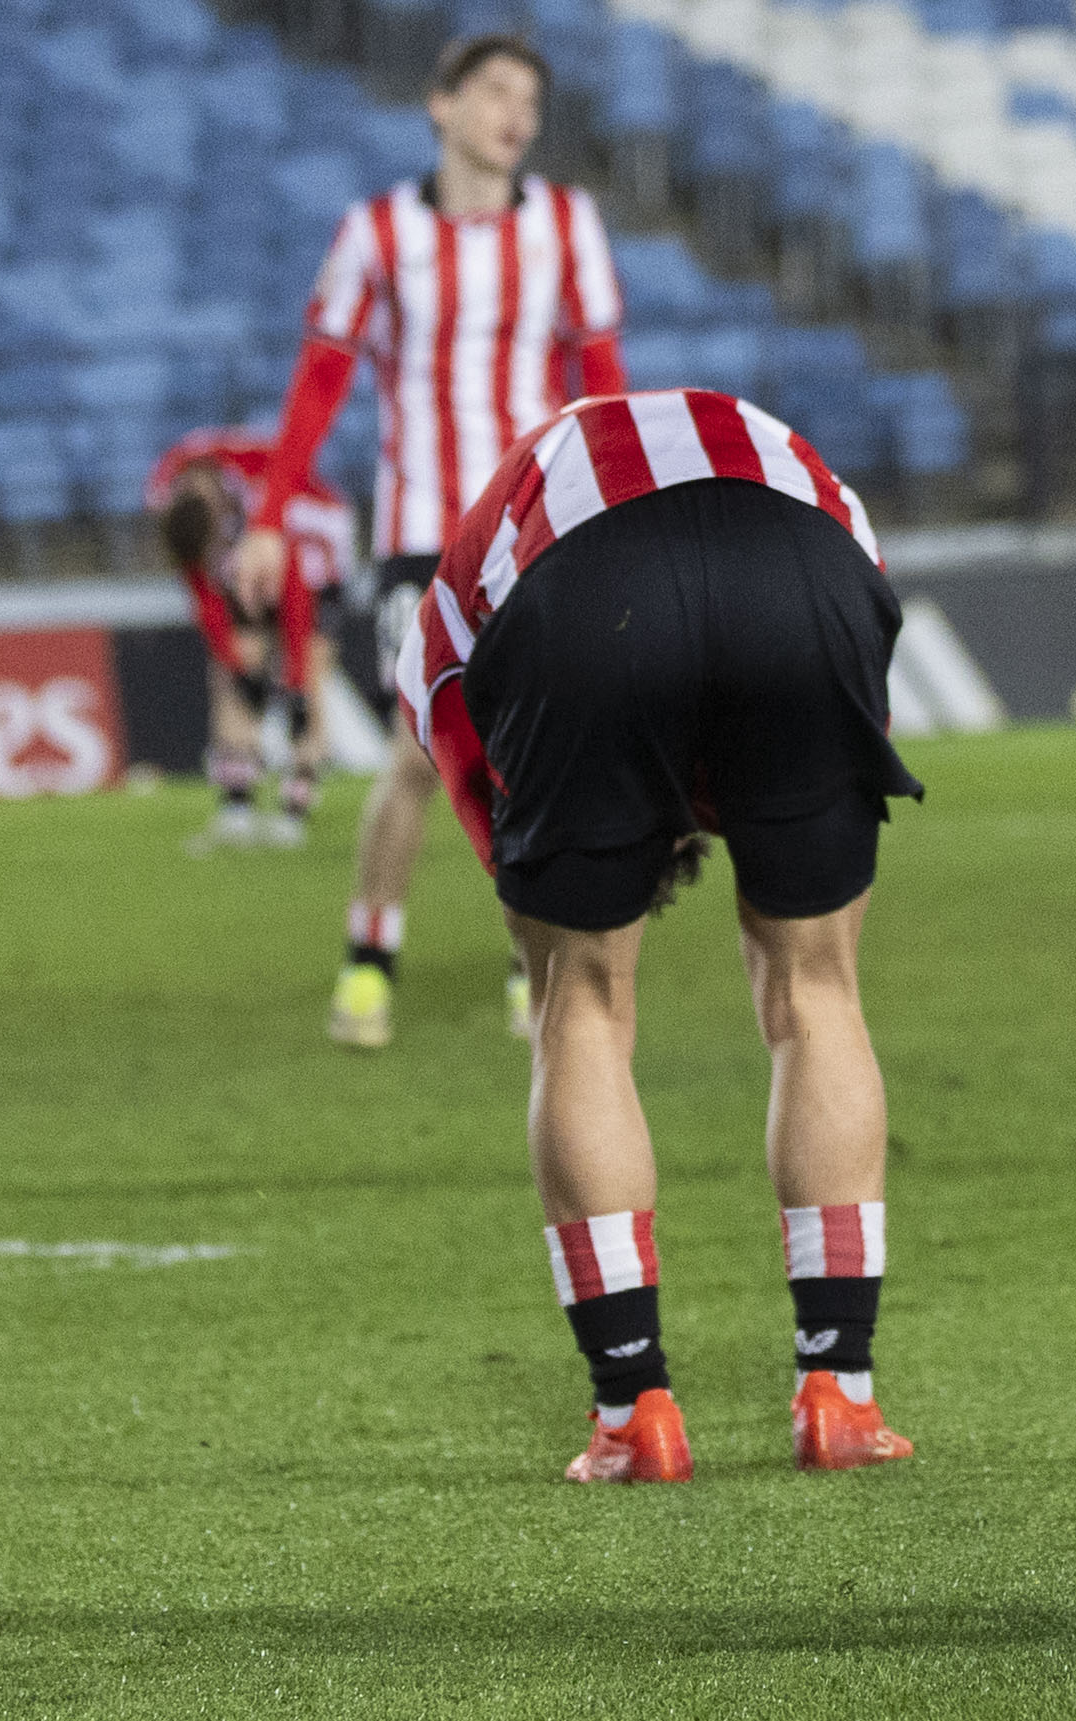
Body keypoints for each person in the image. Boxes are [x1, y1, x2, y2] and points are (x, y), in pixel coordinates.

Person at [389, 387, 925, 1485]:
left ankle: (636, 1411)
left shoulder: (466, 568)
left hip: (586, 597)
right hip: (804, 572)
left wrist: (584, 878)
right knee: (816, 991)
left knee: (580, 1008)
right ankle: (840, 1396)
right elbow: (863, 601)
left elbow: (467, 753)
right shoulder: (782, 443)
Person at [231, 33, 625, 1048]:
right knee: (420, 752)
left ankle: (527, 962)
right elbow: (320, 380)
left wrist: (624, 501)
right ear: (441, 106)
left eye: (531, 98)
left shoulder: (570, 226)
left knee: (536, 756)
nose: (517, 114)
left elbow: (603, 377)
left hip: (540, 520)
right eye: (496, 90)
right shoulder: (375, 233)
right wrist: (270, 517)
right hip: (423, 530)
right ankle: (370, 958)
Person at [148, 428, 355, 859]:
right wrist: (238, 668)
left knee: (311, 679)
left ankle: (293, 813)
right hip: (255, 551)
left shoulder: (262, 501)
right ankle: (236, 811)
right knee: (231, 675)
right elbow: (203, 592)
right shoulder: (168, 495)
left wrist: (295, 681)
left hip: (314, 543)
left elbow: (297, 597)